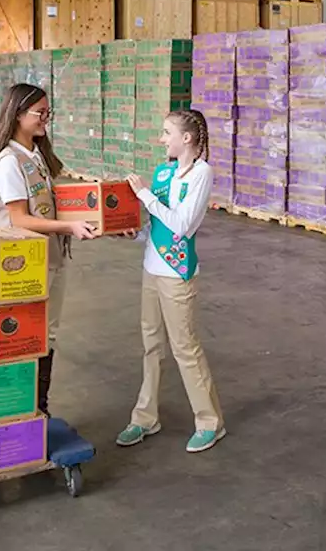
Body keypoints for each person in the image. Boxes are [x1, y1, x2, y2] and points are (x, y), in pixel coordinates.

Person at [0, 83, 100, 415]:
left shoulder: (34, 156)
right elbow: (19, 219)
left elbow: (50, 207)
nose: (46, 119)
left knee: (46, 333)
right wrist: (69, 228)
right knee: (25, 335)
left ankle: (37, 410)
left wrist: (97, 222)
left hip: (47, 260)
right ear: (18, 114)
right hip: (20, 267)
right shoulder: (9, 162)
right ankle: (21, 410)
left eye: (49, 112)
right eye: (40, 113)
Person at [116, 109, 226, 453]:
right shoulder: (163, 172)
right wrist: (134, 232)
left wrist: (144, 195)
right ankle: (145, 417)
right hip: (152, 268)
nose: (162, 139)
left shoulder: (201, 174)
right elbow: (158, 227)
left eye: (166, 133)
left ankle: (210, 422)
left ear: (187, 139)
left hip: (178, 276)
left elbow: (182, 226)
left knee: (185, 349)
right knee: (150, 345)